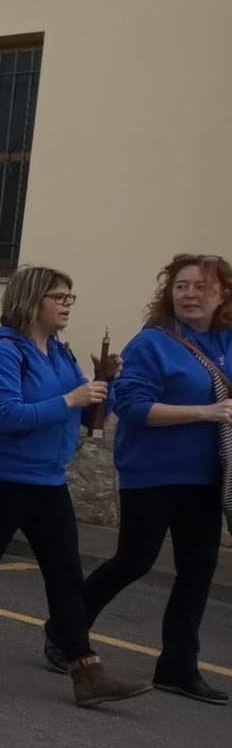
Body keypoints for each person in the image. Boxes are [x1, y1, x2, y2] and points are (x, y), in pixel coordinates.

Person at [0, 266, 147, 706]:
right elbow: (4, 415)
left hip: (48, 479)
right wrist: (71, 398)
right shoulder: (2, 351)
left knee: (66, 572)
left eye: (71, 297)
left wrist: (103, 385)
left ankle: (85, 668)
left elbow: (85, 418)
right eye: (59, 297)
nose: (67, 304)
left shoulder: (59, 352)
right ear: (32, 300)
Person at [79, 254, 232, 704]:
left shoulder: (227, 341)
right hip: (153, 472)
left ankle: (178, 666)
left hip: (208, 474)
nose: (189, 294)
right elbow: (133, 408)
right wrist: (204, 411)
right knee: (135, 559)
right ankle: (67, 628)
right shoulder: (152, 343)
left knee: (197, 571)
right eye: (181, 286)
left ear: (222, 294)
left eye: (201, 286)